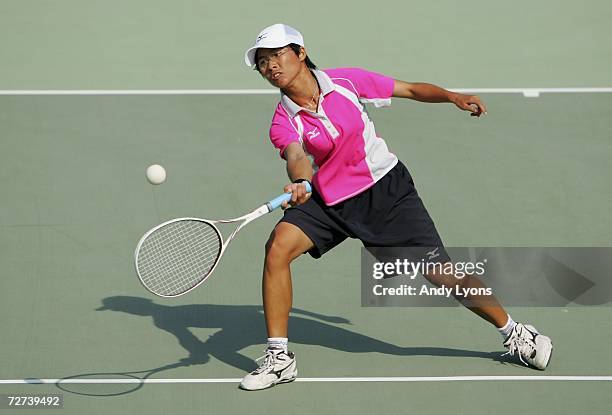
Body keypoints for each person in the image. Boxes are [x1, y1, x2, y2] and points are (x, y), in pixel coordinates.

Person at [239, 23, 553, 391]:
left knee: (441, 273)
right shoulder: (283, 120)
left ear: (301, 53)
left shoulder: (347, 83)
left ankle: (516, 332)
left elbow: (408, 89)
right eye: (263, 63)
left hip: (385, 193)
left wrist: (451, 96)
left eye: (277, 55)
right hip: (329, 198)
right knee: (277, 248)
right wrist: (299, 179)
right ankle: (280, 358)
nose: (271, 66)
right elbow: (296, 155)